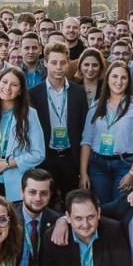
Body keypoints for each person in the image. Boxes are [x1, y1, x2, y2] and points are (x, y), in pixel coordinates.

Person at [78, 61, 133, 205]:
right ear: (107, 79)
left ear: (128, 81)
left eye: (124, 78)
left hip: (124, 166)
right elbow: (86, 141)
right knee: (101, 208)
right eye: (115, 76)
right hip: (98, 166)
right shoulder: (96, 106)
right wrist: (83, 173)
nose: (119, 81)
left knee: (120, 208)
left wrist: (132, 173)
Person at [30, 43, 90, 203]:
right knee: (45, 203)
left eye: (63, 62)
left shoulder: (78, 92)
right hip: (45, 157)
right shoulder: (33, 94)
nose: (58, 67)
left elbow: (84, 127)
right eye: (54, 62)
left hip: (71, 157)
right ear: (45, 63)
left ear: (68, 63)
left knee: (72, 203)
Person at [0, 66, 46, 202]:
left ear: (20, 91)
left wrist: (8, 164)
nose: (7, 87)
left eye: (14, 85)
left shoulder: (30, 114)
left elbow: (38, 153)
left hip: (16, 181)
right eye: (4, 82)